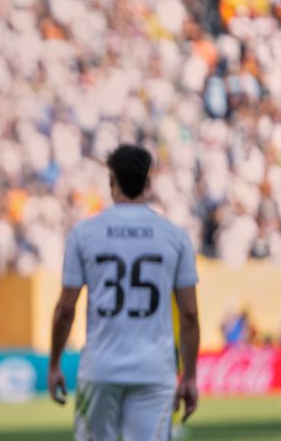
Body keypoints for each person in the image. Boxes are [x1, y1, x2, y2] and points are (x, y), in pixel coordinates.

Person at [47, 144, 200, 441]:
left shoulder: (84, 233)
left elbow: (66, 309)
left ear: (111, 182)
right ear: (148, 182)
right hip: (154, 371)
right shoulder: (175, 236)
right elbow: (190, 315)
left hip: (100, 369)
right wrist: (191, 376)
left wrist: (54, 364)